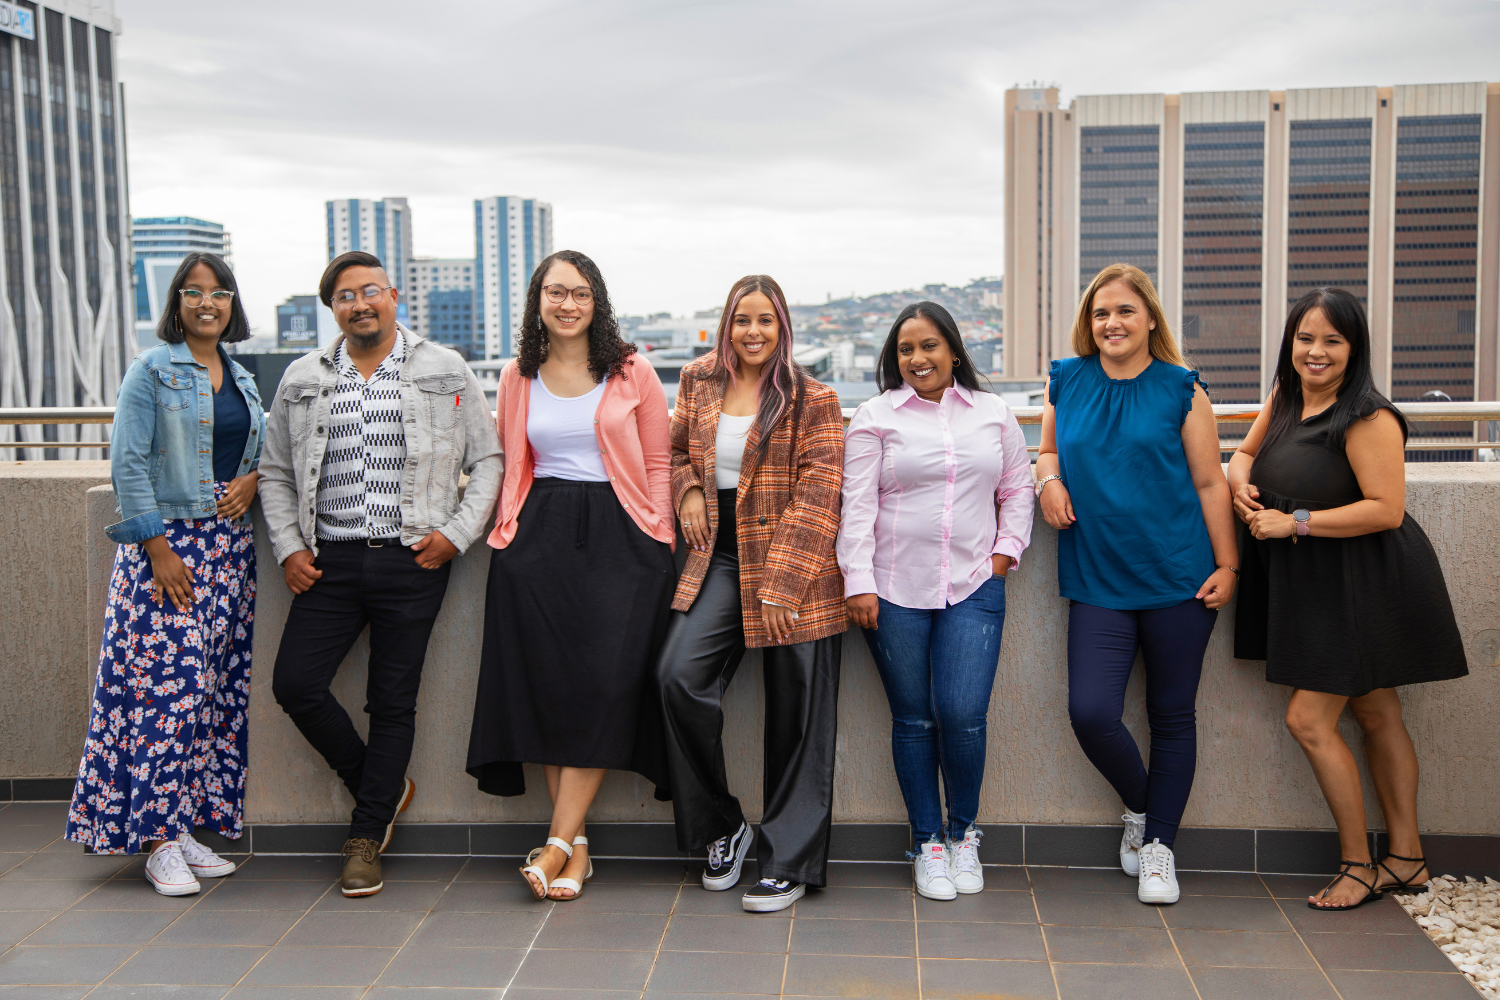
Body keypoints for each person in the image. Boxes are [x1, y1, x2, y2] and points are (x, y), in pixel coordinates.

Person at [259, 251, 502, 898]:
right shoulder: (302, 377)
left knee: (392, 701)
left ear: (394, 296)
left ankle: (365, 837)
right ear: (332, 308)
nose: (360, 303)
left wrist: (455, 535)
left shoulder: (444, 369)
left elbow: (491, 459)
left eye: (371, 290)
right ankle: (382, 786)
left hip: (412, 559)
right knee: (295, 683)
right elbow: (277, 471)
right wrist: (288, 547)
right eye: (345, 295)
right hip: (329, 561)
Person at [1230, 287, 1467, 911]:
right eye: (1306, 337)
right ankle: (1408, 860)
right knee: (1376, 712)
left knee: (1309, 720)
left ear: (1354, 347)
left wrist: (1295, 523)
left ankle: (1358, 865)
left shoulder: (1367, 415)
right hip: (1316, 586)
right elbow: (1245, 453)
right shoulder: (1285, 397)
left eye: (1332, 340)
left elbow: (1387, 510)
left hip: (1364, 581)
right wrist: (1238, 486)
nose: (1316, 351)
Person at [466, 250, 677, 901]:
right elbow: (507, 461)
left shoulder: (631, 370)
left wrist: (660, 536)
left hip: (624, 539)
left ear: (597, 301)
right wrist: (501, 533)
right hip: (538, 541)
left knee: (603, 687)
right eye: (555, 292)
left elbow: (661, 463)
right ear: (538, 301)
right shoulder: (515, 375)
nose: (566, 304)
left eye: (579, 293)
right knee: (553, 692)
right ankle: (575, 853)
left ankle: (555, 842)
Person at [1036, 263, 1238, 905]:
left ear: (1150, 317)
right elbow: (1046, 452)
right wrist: (1049, 481)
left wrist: (1228, 565)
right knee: (1091, 711)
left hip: (1180, 576)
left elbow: (1211, 483)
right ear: (1087, 324)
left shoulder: (1182, 389)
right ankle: (1144, 811)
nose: (1112, 323)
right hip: (1098, 578)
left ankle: (1158, 848)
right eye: (1100, 313)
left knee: (1172, 715)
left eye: (1124, 311)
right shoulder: (1068, 380)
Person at [66, 252, 262, 895]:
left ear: (233, 304)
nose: (209, 303)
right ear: (176, 303)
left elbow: (255, 451)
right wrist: (156, 549)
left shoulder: (241, 375)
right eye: (194, 292)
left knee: (207, 696)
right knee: (163, 697)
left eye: (220, 292)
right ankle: (153, 841)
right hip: (168, 551)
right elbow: (127, 465)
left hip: (229, 552)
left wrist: (253, 478)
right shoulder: (150, 370)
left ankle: (180, 829)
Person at [656, 274, 847, 913]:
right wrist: (686, 488)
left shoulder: (812, 396)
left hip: (799, 567)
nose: (754, 331)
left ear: (783, 326)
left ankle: (788, 862)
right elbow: (678, 448)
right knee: (678, 678)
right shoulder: (696, 382)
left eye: (766, 320)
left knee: (798, 715)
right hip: (721, 556)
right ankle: (724, 827)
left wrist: (784, 581)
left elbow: (822, 492)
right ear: (727, 324)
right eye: (743, 319)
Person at [838, 301, 1032, 901]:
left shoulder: (994, 414)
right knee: (915, 718)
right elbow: (859, 504)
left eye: (928, 346)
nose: (917, 358)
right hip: (893, 590)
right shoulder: (875, 416)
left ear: (953, 349)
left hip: (974, 584)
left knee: (963, 713)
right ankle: (928, 842)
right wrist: (858, 581)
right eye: (905, 349)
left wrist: (1005, 553)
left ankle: (964, 832)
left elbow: (1017, 488)